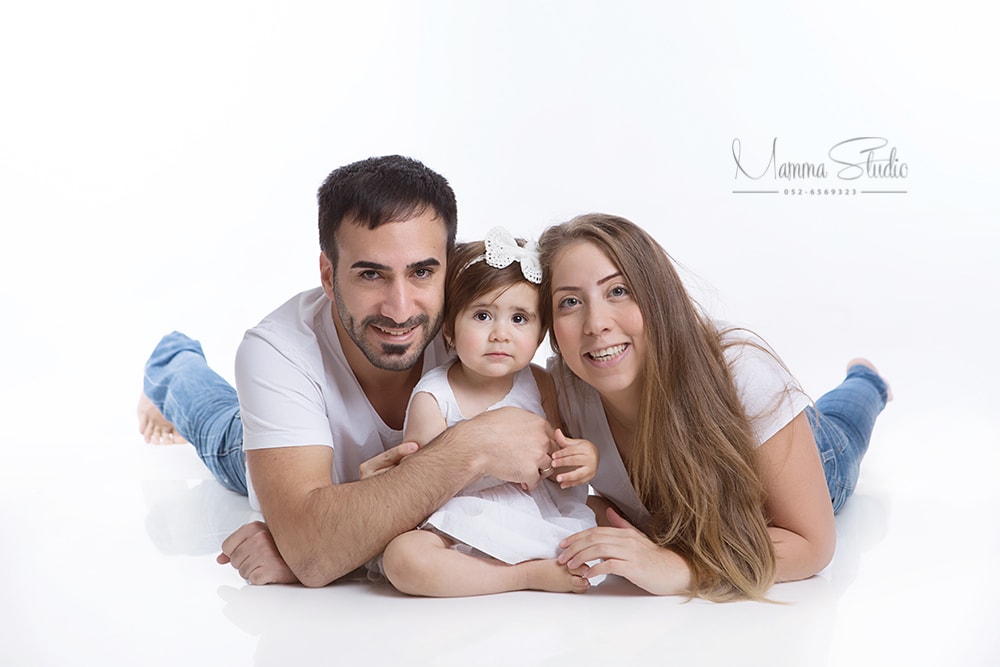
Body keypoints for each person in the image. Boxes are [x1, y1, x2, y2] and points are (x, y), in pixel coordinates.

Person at [139, 155, 558, 587]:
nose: (400, 311)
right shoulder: (277, 351)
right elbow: (312, 554)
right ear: (328, 275)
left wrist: (340, 543)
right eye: (371, 275)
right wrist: (474, 445)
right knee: (216, 423)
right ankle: (172, 362)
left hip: (344, 485)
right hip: (266, 446)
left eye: (421, 272)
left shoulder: (477, 324)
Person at [535, 213, 891, 602]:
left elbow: (812, 546)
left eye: (618, 291)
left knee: (845, 420)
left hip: (811, 460)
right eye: (570, 302)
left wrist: (681, 568)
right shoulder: (561, 391)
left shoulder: (743, 372)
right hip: (702, 523)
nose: (596, 323)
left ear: (657, 296)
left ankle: (867, 379)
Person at [380, 228, 601, 596]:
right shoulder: (435, 397)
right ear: (449, 329)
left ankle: (532, 563)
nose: (500, 334)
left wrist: (582, 458)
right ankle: (524, 576)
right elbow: (421, 487)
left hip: (533, 515)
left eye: (519, 319)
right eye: (482, 316)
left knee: (606, 520)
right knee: (403, 559)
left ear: (540, 333)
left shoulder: (540, 383)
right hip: (459, 525)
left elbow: (556, 456)